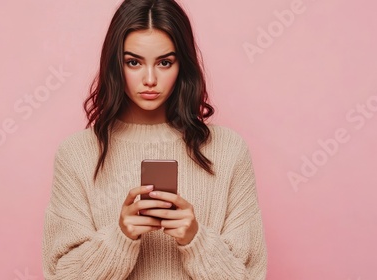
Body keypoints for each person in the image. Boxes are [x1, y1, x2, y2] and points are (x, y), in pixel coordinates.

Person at [42, 0, 267, 279]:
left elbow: (250, 274)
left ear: (181, 65)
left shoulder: (228, 150)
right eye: (133, 62)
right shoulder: (76, 154)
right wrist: (120, 237)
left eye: (164, 62)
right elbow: (61, 274)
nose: (150, 79)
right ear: (115, 65)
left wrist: (196, 241)